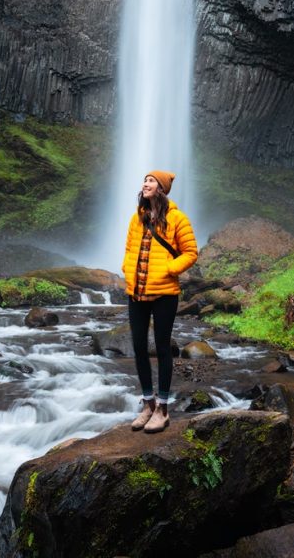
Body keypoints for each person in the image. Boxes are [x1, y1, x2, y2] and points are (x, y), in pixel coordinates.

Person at [122, 169, 198, 433]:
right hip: (137, 293)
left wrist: (169, 268)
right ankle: (147, 404)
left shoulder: (177, 219)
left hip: (165, 293)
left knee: (163, 348)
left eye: (151, 181)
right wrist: (126, 271)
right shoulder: (137, 218)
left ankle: (163, 409)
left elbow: (190, 252)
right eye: (144, 180)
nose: (146, 184)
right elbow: (129, 249)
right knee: (139, 347)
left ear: (162, 189)